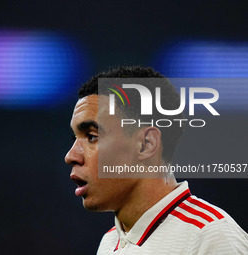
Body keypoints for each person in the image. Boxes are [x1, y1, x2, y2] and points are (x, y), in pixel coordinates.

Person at [64, 66, 248, 254]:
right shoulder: (109, 242)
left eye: (92, 136)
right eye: (75, 138)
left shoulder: (211, 237)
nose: (71, 156)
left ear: (146, 144)